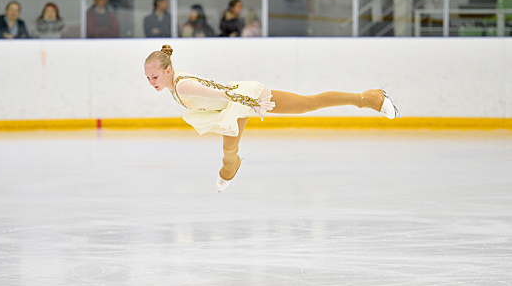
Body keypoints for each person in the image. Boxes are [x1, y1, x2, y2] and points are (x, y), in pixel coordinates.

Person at [144, 45, 401, 192]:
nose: (151, 82)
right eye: (148, 78)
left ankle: (370, 99)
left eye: (154, 77)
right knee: (229, 152)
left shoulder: (183, 86)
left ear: (167, 71)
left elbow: (223, 93)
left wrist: (253, 103)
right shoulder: (173, 80)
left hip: (242, 100)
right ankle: (230, 169)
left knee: (308, 103)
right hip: (232, 109)